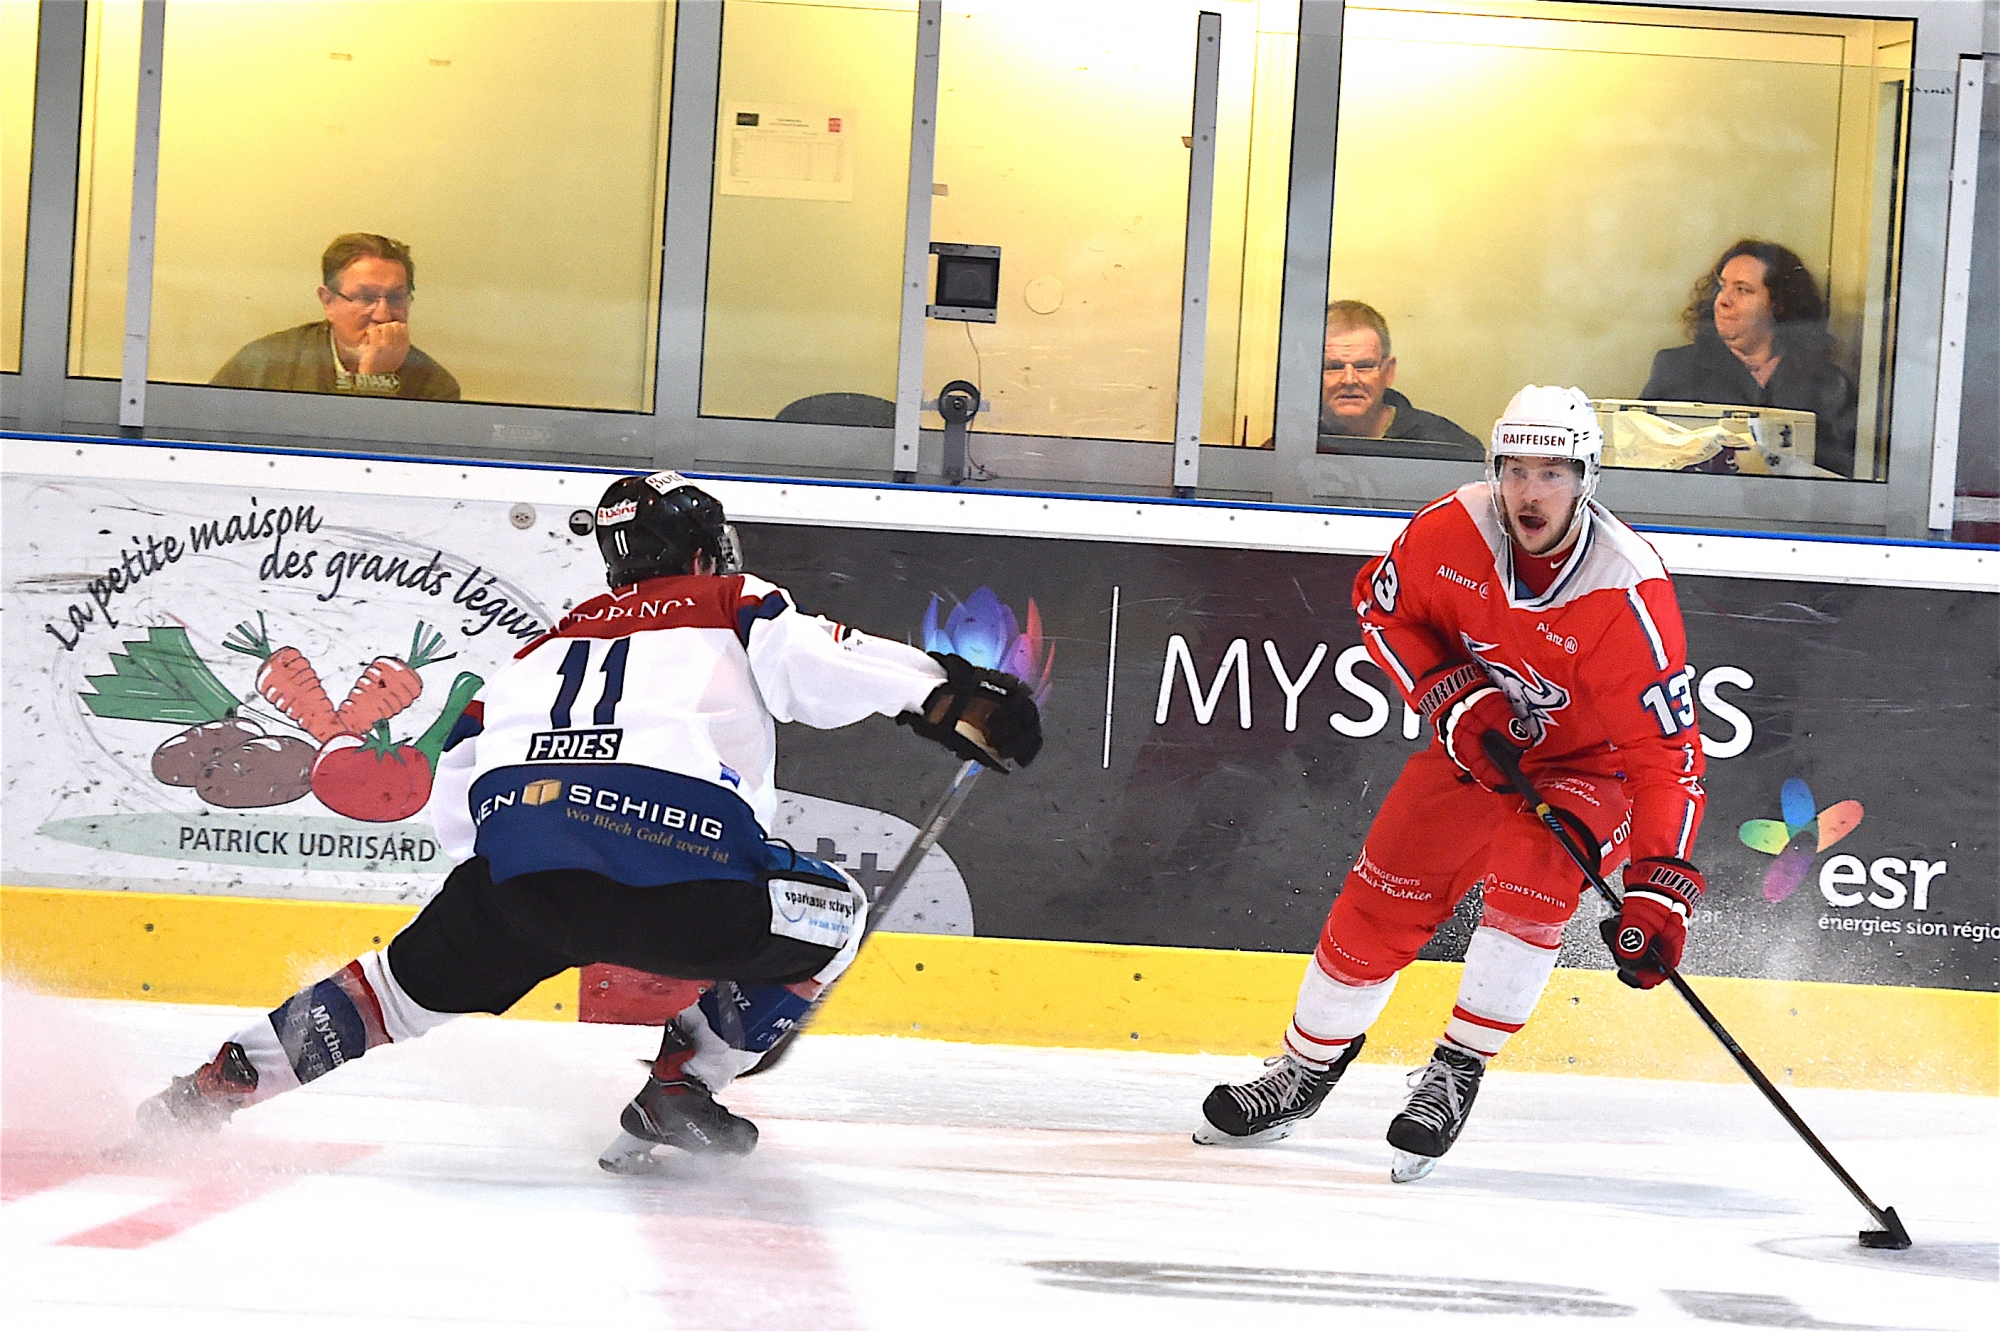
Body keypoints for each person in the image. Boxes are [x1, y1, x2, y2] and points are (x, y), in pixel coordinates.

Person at [138, 472, 1043, 1171]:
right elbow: (819, 665)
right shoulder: (732, 603)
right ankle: (679, 1091)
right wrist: (946, 693)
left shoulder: (536, 651)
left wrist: (536, 861)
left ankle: (205, 1093)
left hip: (521, 876)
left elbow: (455, 807)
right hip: (680, 873)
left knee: (392, 995)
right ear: (706, 549)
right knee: (832, 915)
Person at [1195, 385, 1706, 1183]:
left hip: (1586, 768)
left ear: (1587, 479)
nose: (1531, 491)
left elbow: (1665, 759)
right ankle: (1303, 1069)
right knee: (1381, 896)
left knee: (1532, 886)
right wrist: (1459, 703)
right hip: (1479, 748)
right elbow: (1381, 609)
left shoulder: (1627, 591)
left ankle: (1457, 1068)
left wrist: (1657, 891)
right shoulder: (1450, 530)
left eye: (1554, 472)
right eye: (1516, 469)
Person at [1640, 240, 1858, 478]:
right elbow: (1640, 456)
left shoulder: (1826, 383)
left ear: (1779, 304)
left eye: (1742, 290)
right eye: (1722, 286)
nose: (1723, 300)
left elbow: (1843, 476)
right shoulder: (1677, 368)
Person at [211, 233, 461, 400]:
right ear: (328, 302)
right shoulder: (263, 364)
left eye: (396, 298)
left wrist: (374, 380)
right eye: (365, 297)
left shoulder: (435, 387)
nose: (383, 314)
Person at [1317, 301, 1482, 459]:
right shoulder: (1296, 440)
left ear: (1388, 372)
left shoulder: (1449, 446)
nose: (1349, 379)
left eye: (1364, 366)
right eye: (1334, 366)